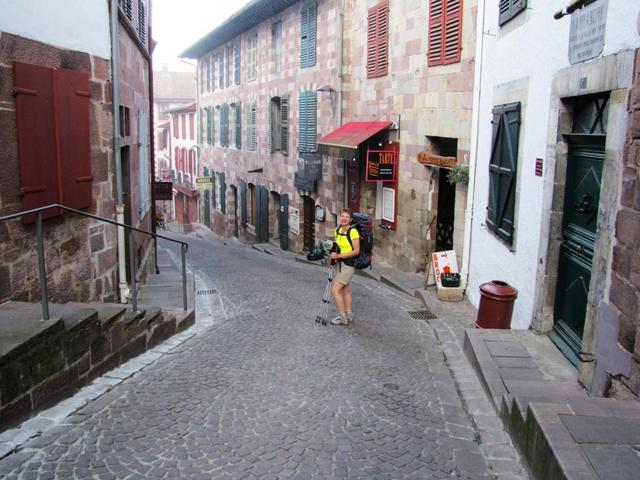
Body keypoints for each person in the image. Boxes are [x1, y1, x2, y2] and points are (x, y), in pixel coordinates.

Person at [329, 208, 360, 325]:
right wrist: (333, 253)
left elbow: (356, 251)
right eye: (342, 216)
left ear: (350, 219)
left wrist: (339, 255)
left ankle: (343, 317)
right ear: (340, 217)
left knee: (335, 290)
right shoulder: (338, 229)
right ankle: (350, 314)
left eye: (347, 217)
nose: (344, 219)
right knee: (346, 289)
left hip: (349, 265)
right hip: (340, 264)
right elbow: (336, 245)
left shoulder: (353, 232)